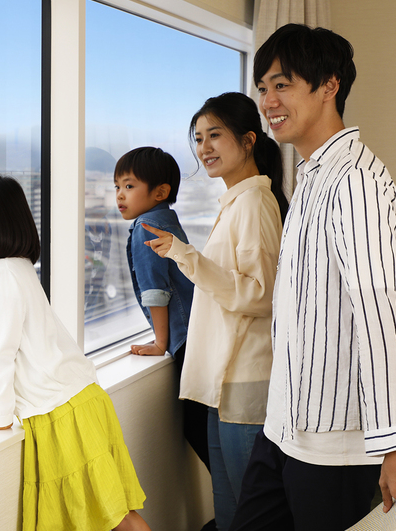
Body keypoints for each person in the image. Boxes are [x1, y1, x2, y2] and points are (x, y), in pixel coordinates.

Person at [227, 23, 396, 530]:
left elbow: (381, 314)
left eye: (282, 84)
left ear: (329, 85)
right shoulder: (310, 176)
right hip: (283, 428)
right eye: (262, 87)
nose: (268, 100)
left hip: (334, 448)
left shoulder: (357, 183)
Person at [0, 171, 152, 531]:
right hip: (78, 401)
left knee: (117, 519)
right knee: (111, 514)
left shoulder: (1, 276)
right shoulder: (19, 269)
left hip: (62, 412)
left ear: (5, 225)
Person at [142, 92, 288, 531]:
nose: (204, 147)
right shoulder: (235, 202)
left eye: (215, 135)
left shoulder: (256, 203)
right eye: (199, 137)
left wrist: (186, 257)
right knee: (229, 516)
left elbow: (261, 296)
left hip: (247, 383)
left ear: (247, 140)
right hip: (224, 385)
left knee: (252, 516)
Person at [114, 148, 212, 481]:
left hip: (186, 338)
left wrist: (160, 343)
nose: (119, 195)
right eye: (117, 187)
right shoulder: (167, 219)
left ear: (160, 192)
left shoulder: (146, 228)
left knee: (198, 427)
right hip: (202, 330)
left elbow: (156, 290)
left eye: (128, 186)